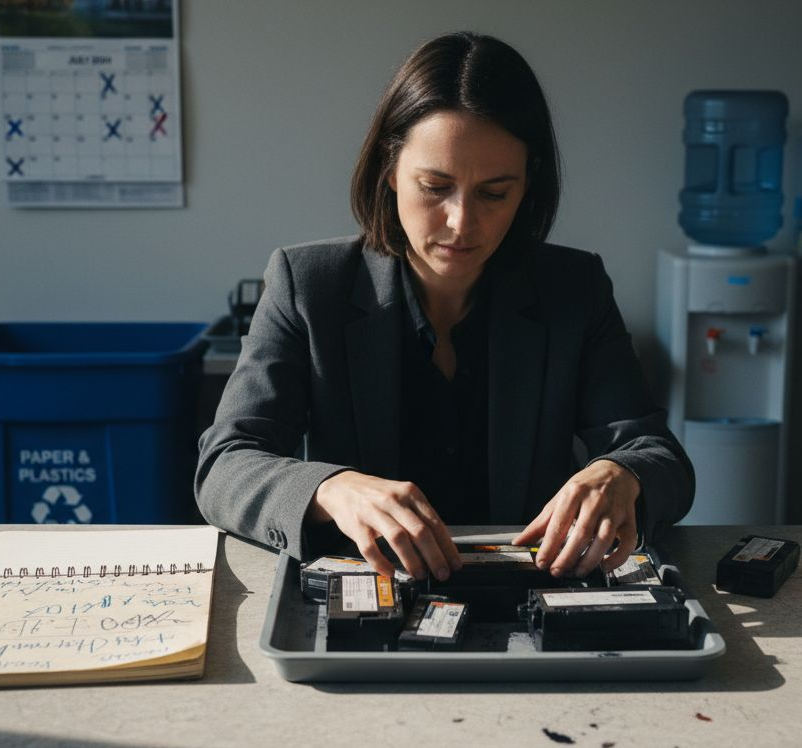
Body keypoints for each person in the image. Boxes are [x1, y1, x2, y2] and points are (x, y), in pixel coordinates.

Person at [195, 32, 693, 583]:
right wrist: (329, 487)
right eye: (435, 186)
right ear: (389, 171)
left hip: (530, 596)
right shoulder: (308, 285)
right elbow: (226, 464)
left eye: (494, 193)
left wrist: (621, 473)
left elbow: (659, 455)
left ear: (528, 188)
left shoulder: (574, 289)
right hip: (366, 600)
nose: (461, 222)